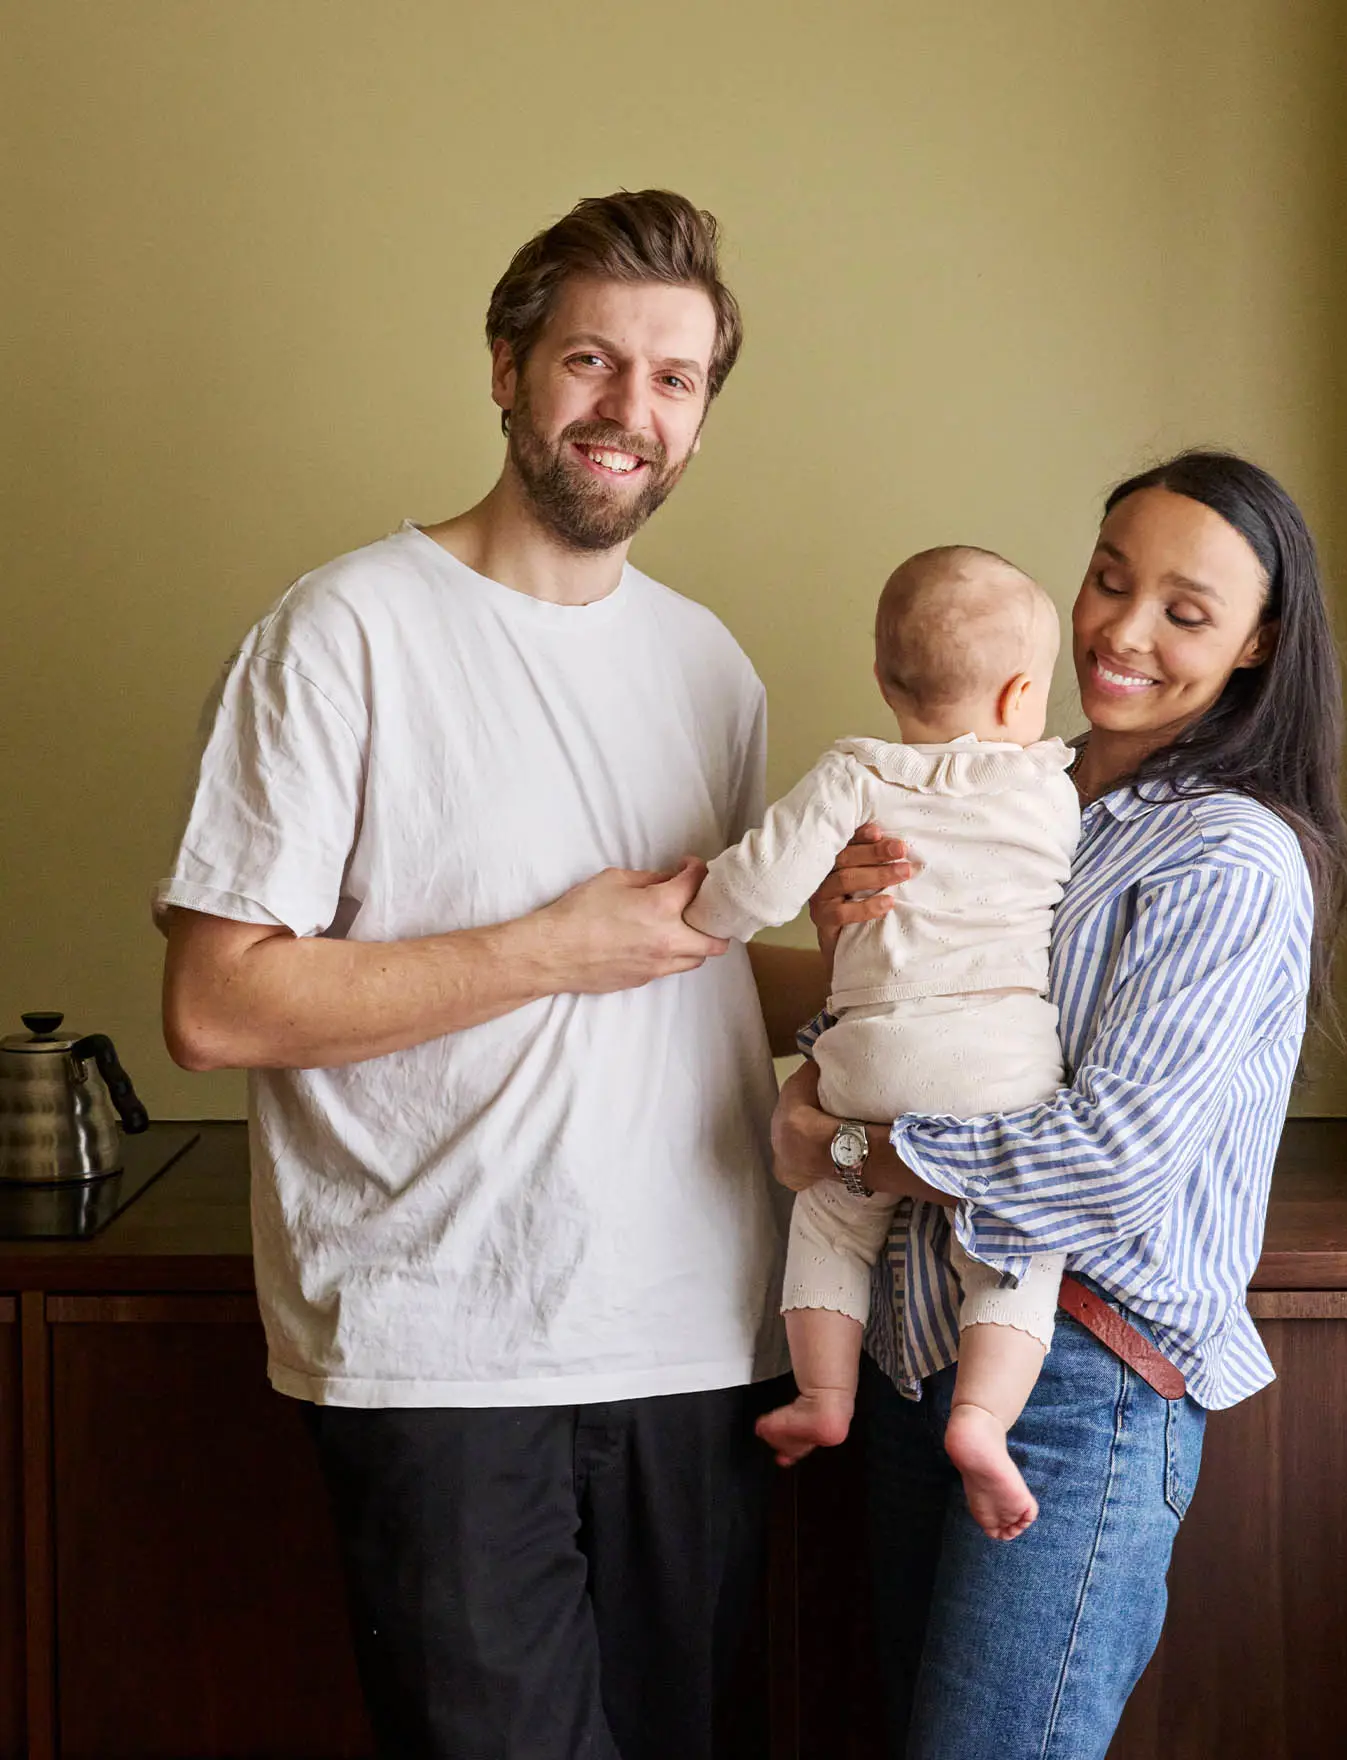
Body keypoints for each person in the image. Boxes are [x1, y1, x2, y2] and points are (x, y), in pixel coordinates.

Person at [155, 189, 828, 1760]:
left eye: (674, 381)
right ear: (510, 367)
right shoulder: (342, 634)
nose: (628, 412)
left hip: (703, 1331)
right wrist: (545, 950)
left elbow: (693, 979)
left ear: (703, 418)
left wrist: (889, 968)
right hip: (437, 1348)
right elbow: (217, 1003)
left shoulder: (711, 668)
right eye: (593, 362)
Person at [772, 451, 1347, 1759]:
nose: (1123, 632)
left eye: (1185, 613)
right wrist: (841, 940)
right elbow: (904, 1021)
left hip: (1088, 1380)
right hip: (923, 1353)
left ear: (1258, 643)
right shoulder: (1010, 785)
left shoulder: (1229, 854)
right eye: (1106, 580)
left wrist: (853, 1150)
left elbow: (1110, 1161)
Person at [685, 546, 1080, 1541]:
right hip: (1002, 1068)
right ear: (1024, 691)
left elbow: (750, 895)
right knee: (1017, 1250)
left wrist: (697, 894)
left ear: (880, 679)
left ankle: (823, 1393)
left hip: (868, 1067)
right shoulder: (1050, 788)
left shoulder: (857, 773)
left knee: (827, 1215)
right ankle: (982, 1420)